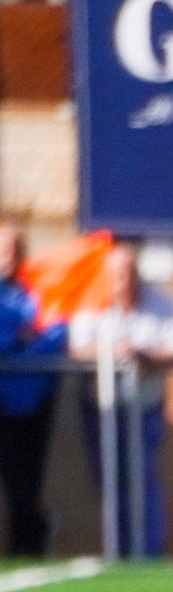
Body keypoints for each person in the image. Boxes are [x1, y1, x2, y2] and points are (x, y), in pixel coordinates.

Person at [67, 241, 173, 560]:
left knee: (144, 480)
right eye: (117, 274)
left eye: (129, 272)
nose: (124, 280)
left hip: (146, 406)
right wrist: (110, 353)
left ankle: (149, 552)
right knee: (110, 481)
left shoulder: (160, 302)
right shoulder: (92, 300)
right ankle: (119, 550)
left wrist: (147, 356)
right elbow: (77, 348)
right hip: (102, 408)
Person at [0, 224, 66, 558]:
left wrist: (25, 343)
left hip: (31, 404)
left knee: (25, 482)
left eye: (12, 249)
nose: (6, 257)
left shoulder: (35, 292)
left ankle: (28, 545)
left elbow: (54, 335)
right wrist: (14, 339)